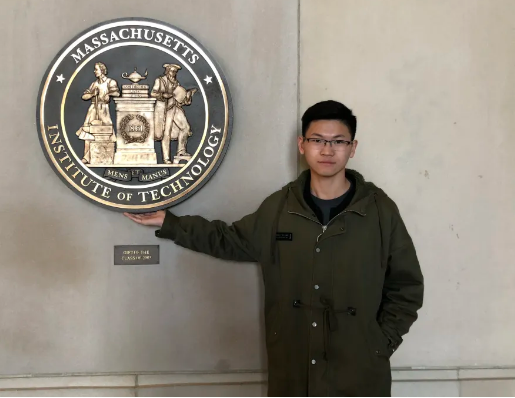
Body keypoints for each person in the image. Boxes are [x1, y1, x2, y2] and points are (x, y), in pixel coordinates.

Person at [124, 100, 424, 397]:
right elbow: (229, 239)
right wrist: (171, 223)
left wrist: (379, 343)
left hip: (360, 375)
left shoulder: (379, 211)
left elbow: (406, 285)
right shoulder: (280, 207)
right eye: (317, 140)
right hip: (294, 371)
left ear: (352, 147)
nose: (327, 150)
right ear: (302, 144)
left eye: (338, 141)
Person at [150, 63, 196, 164]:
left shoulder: (176, 83)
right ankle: (166, 158)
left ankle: (181, 151)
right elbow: (153, 93)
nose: (174, 73)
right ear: (167, 71)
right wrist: (163, 95)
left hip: (175, 107)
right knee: (166, 133)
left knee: (185, 127)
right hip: (164, 109)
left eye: (175, 72)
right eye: (172, 71)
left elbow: (179, 97)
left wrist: (187, 97)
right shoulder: (160, 80)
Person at [76, 62, 120, 164]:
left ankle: (106, 156)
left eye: (96, 69)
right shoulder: (94, 84)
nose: (94, 71)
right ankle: (87, 158)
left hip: (104, 109)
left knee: (106, 132)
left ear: (102, 70)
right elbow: (84, 96)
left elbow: (117, 93)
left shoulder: (110, 82)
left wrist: (108, 94)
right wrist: (92, 94)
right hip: (93, 109)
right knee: (88, 133)